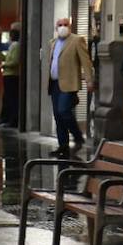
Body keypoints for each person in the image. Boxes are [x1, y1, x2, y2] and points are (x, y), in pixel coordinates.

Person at [44, 16, 93, 159]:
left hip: (69, 84)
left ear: (70, 26)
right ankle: (63, 146)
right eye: (60, 25)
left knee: (64, 110)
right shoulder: (52, 43)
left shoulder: (77, 40)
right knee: (58, 116)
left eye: (65, 24)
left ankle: (78, 136)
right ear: (56, 27)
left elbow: (86, 61)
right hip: (54, 84)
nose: (63, 27)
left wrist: (89, 80)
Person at [0, 22, 22, 128]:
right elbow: (7, 59)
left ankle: (13, 120)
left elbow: (14, 61)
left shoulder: (16, 46)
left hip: (12, 75)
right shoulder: (12, 46)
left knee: (12, 98)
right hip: (8, 75)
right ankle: (6, 118)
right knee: (7, 97)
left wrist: (5, 65)